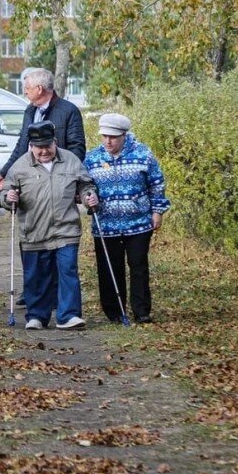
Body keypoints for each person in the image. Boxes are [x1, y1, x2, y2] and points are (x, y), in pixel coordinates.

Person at [1, 121, 99, 330]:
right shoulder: (19, 166)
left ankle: (68, 315)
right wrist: (8, 197)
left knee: (68, 271)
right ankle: (37, 315)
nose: (44, 151)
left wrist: (89, 195)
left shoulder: (71, 160)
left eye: (48, 145)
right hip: (34, 231)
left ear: (55, 142)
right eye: (39, 147)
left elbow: (85, 184)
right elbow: (5, 193)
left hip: (66, 229)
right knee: (37, 276)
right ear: (31, 146)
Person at [83, 113, 171, 324]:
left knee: (138, 265)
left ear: (124, 135)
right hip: (105, 224)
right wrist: (88, 198)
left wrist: (157, 211)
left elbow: (156, 184)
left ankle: (141, 311)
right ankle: (114, 311)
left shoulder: (143, 155)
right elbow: (83, 187)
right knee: (109, 268)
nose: (108, 141)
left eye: (113, 137)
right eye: (104, 136)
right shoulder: (92, 158)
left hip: (139, 223)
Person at [0, 67, 86, 192]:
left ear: (39, 89)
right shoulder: (30, 111)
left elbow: (77, 149)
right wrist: (3, 173)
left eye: (27, 87)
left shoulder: (69, 111)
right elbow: (21, 147)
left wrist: (64, 177)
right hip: (30, 179)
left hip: (57, 182)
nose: (25, 92)